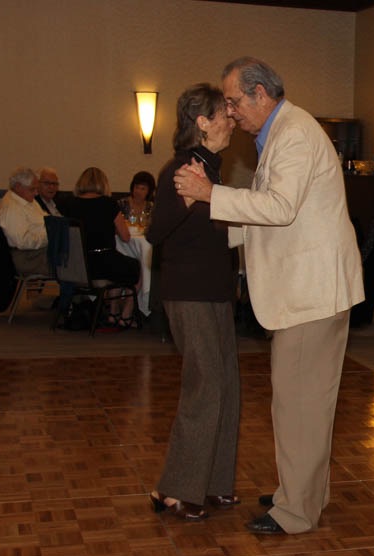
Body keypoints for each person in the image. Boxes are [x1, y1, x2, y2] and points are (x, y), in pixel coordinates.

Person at [174, 56, 364, 535]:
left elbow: (278, 209)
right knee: (306, 403)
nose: (231, 113)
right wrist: (210, 228)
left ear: (261, 94)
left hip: (310, 295)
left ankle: (295, 511)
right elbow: (277, 218)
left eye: (234, 102)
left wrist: (210, 193)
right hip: (310, 291)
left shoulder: (294, 134)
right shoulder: (282, 133)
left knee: (298, 405)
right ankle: (303, 493)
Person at [146, 83, 240, 521]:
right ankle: (176, 489)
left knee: (226, 388)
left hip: (214, 292)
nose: (232, 119)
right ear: (202, 123)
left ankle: (214, 484)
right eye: (225, 112)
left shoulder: (210, 169)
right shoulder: (184, 168)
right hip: (189, 293)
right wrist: (188, 196)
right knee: (205, 387)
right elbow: (155, 231)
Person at [64, 167, 140, 326]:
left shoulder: (69, 204)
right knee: (136, 267)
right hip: (103, 263)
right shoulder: (108, 204)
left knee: (119, 265)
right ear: (103, 184)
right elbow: (125, 237)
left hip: (76, 266)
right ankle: (125, 313)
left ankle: (113, 312)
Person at [117, 171, 157, 319]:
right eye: (136, 187)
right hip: (123, 243)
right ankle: (125, 309)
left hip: (141, 241)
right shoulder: (122, 204)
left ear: (149, 191)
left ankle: (133, 308)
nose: (138, 191)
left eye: (143, 188)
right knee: (136, 267)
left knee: (142, 265)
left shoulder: (151, 207)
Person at [0, 167, 50, 276]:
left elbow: (46, 220)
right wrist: (51, 236)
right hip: (27, 257)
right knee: (71, 259)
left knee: (75, 249)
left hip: (38, 251)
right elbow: (22, 241)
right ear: (18, 187)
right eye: (32, 189)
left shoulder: (28, 200)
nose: (36, 193)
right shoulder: (12, 208)